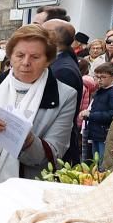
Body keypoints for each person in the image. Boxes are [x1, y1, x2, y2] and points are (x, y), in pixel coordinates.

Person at [0, 24, 78, 187]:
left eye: (35, 57)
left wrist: (28, 141)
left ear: (48, 60)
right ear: (10, 56)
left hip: (27, 187)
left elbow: (55, 153)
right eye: (20, 55)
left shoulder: (65, 95)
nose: (26, 62)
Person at [42, 19, 84, 163]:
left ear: (51, 37)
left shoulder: (63, 70)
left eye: (41, 32)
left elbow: (53, 114)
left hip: (55, 147)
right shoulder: (59, 62)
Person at [81, 62, 113, 164]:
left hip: (104, 134)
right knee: (95, 162)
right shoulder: (100, 91)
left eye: (103, 77)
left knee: (102, 163)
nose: (99, 80)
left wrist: (90, 115)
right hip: (95, 132)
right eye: (97, 77)